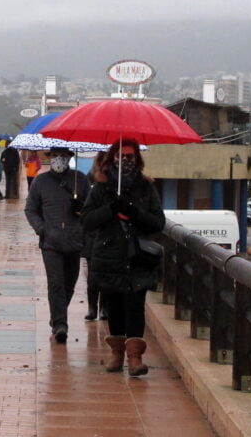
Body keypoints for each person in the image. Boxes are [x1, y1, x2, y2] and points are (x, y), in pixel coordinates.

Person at [81, 138, 165, 376]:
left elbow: (158, 222)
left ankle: (135, 357)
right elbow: (87, 221)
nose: (125, 160)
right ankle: (117, 354)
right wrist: (110, 209)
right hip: (109, 257)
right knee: (114, 305)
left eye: (130, 156)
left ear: (137, 159)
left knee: (135, 306)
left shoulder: (147, 188)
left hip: (137, 257)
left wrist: (134, 212)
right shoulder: (100, 188)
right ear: (112, 158)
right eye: (121, 156)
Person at [25, 146, 89, 343]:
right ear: (49, 158)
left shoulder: (80, 180)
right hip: (51, 243)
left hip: (74, 240)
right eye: (54, 156)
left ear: (70, 157)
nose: (58, 159)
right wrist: (42, 229)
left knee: (69, 284)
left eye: (62, 156)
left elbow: (91, 209)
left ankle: (56, 317)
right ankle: (61, 324)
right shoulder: (40, 182)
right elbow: (30, 209)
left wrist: (81, 209)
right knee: (55, 283)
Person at [83, 151, 108, 321]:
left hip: (109, 236)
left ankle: (104, 307)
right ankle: (92, 307)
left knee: (107, 272)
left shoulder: (116, 182)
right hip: (92, 235)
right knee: (93, 273)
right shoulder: (89, 178)